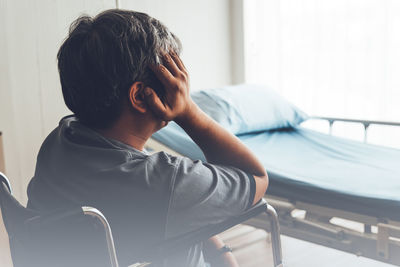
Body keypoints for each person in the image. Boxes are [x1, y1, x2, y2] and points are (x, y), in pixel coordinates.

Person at [27, 9, 268, 267]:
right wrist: (189, 112)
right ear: (140, 96)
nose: (180, 84)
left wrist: (220, 250)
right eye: (172, 74)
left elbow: (174, 205)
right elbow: (256, 177)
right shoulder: (166, 183)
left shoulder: (59, 140)